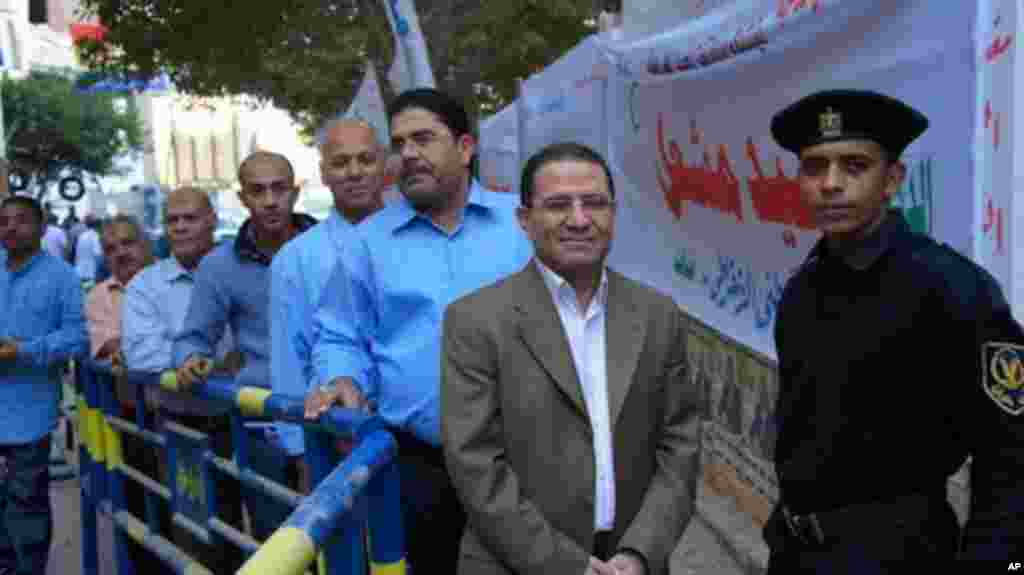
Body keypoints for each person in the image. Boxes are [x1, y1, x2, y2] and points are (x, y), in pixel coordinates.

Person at [765, 89, 1024, 572]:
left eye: (854, 166)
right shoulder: (803, 287)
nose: (831, 184)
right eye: (815, 167)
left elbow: (1011, 457)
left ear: (893, 180)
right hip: (795, 552)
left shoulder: (953, 289)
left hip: (900, 557)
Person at [440, 142, 699, 575]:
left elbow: (680, 448)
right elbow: (475, 464)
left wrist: (639, 553)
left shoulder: (658, 315)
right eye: (558, 205)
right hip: (516, 564)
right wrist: (568, 565)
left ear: (613, 214)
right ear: (524, 219)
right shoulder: (475, 321)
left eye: (594, 203)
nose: (579, 220)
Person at [306, 88, 533, 573]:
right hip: (418, 469)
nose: (408, 154)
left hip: (523, 463)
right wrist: (342, 378)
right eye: (400, 143)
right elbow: (340, 335)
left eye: (424, 139)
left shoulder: (522, 227)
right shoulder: (368, 244)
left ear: (466, 147)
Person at [173, 152, 316, 541]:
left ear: (295, 192)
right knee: (275, 544)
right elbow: (193, 336)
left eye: (279, 188)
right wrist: (189, 360)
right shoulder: (219, 266)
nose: (270, 200)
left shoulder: (330, 248)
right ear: (242, 199)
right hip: (260, 427)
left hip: (328, 424)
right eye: (257, 191)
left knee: (342, 547)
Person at [122, 186, 244, 572]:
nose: (180, 227)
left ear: (211, 220)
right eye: (172, 220)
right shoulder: (146, 285)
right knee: (197, 539)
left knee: (264, 531)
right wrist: (209, 361)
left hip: (249, 423)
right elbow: (141, 355)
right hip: (179, 425)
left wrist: (185, 360)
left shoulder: (242, 271)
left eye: (190, 218)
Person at [269, 118, 387, 463]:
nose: (354, 172)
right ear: (323, 173)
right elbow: (289, 360)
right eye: (340, 162)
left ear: (384, 164)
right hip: (331, 438)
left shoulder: (415, 240)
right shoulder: (295, 258)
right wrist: (298, 450)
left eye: (365, 159)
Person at [0, 196, 87, 575]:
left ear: (41, 225)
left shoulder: (62, 277)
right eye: (3, 221)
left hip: (29, 408)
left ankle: (27, 569)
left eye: (21, 220)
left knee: (27, 499)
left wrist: (24, 350)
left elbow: (77, 338)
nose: (11, 228)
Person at [82, 214, 165, 572]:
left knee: (195, 515)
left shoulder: (172, 279)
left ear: (147, 243)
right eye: (111, 248)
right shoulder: (100, 296)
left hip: (185, 417)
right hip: (131, 420)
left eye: (128, 243)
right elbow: (108, 345)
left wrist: (139, 349)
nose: (120, 253)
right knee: (137, 512)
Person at [74, 214, 103, 285]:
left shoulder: (81, 236)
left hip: (79, 272)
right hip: (91, 274)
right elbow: (98, 256)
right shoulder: (95, 236)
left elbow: (77, 256)